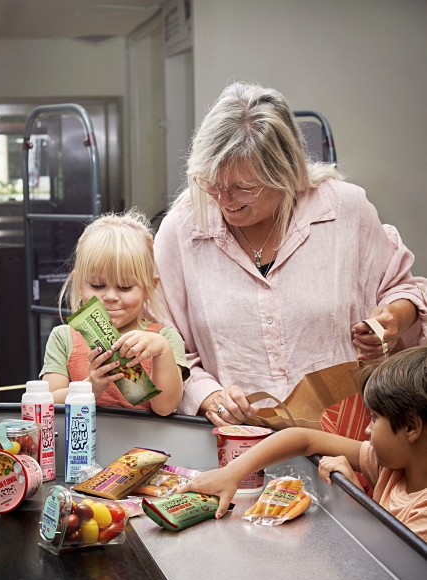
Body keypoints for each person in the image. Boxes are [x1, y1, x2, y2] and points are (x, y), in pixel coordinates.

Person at [154, 82, 427, 425]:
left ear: (285, 173)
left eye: (243, 188)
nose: (224, 200)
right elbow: (163, 342)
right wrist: (206, 394)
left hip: (343, 437)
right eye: (212, 182)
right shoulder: (181, 232)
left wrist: (395, 319)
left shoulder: (345, 210)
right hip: (235, 441)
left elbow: (402, 288)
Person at [179, 347, 427, 542]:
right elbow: (304, 439)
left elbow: (386, 567)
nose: (367, 429)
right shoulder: (389, 464)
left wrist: (355, 497)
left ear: (411, 427)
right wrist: (231, 473)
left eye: (373, 418)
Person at [40, 210, 189, 415]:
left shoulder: (164, 339)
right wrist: (90, 386)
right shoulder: (64, 338)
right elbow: (47, 404)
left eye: (125, 287)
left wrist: (161, 351)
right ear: (79, 285)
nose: (110, 296)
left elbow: (165, 407)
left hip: (146, 446)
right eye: (97, 285)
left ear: (149, 288)